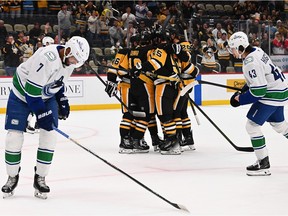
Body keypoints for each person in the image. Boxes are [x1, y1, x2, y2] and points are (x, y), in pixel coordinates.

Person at [2, 36, 90, 199]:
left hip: (44, 96)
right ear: (68, 50)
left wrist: (61, 98)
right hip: (22, 94)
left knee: (49, 135)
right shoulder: (47, 57)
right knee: (13, 137)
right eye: (74, 59)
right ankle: (12, 176)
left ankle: (40, 177)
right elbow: (31, 92)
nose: (74, 63)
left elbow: (57, 82)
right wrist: (42, 114)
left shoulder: (69, 61)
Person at [228, 32, 288, 176]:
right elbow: (256, 80)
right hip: (281, 91)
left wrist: (240, 100)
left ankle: (263, 164)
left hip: (271, 95)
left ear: (241, 47)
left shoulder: (250, 62)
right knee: (280, 126)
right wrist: (242, 92)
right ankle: (262, 161)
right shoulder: (257, 51)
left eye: (233, 48)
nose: (232, 51)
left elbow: (259, 91)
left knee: (252, 126)